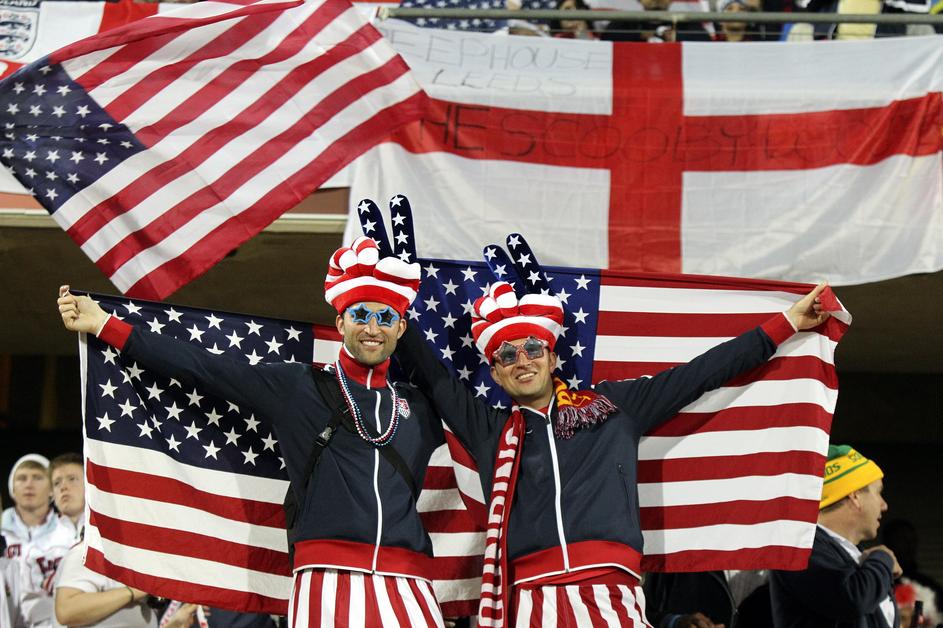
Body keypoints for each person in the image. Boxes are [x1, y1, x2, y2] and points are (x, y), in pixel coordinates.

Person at [394, 237, 831, 627]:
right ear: (495, 372)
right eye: (507, 355)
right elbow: (432, 376)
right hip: (529, 598)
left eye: (532, 348)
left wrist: (787, 323)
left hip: (609, 592)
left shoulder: (612, 407)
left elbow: (701, 373)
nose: (522, 361)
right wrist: (391, 303)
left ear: (551, 357)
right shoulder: (490, 429)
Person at [56, 229, 449, 627]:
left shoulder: (419, 407)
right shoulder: (300, 386)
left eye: (386, 317)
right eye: (360, 315)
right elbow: (205, 368)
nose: (372, 327)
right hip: (326, 580)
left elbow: (474, 431)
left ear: (401, 329)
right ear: (341, 322)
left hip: (409, 583)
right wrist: (106, 325)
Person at [769, 444, 901, 628]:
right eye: (878, 492)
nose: (884, 505)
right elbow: (853, 598)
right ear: (855, 496)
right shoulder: (799, 548)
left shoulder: (853, 554)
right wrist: (883, 558)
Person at [3, 455, 74, 627]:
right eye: (22, 478)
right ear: (12, 489)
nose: (29, 484)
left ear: (51, 489)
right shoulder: (2, 533)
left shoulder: (70, 531)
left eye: (37, 477)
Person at [48, 455, 84, 542]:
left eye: (72, 479)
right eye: (57, 483)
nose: (63, 487)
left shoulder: (109, 525)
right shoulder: (42, 538)